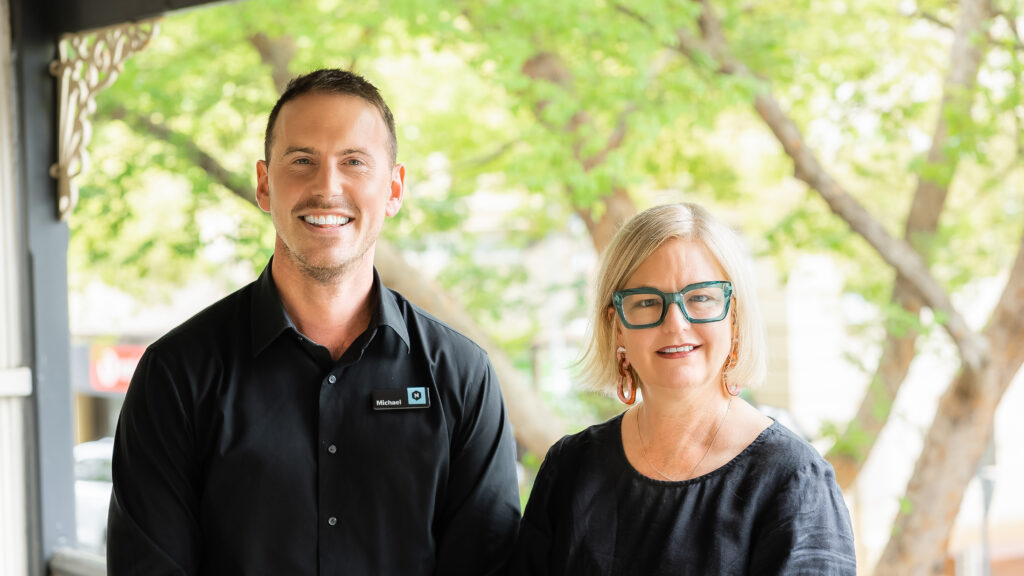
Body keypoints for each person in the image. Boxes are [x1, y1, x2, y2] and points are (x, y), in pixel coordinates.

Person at [107, 68, 521, 575]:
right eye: (302, 161)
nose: (327, 188)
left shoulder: (462, 376)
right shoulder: (175, 375)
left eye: (354, 162)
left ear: (393, 189)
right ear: (264, 184)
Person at [511, 203, 856, 575]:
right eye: (646, 302)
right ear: (617, 326)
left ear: (734, 316)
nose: (675, 323)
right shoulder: (570, 470)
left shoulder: (793, 481)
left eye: (700, 297)